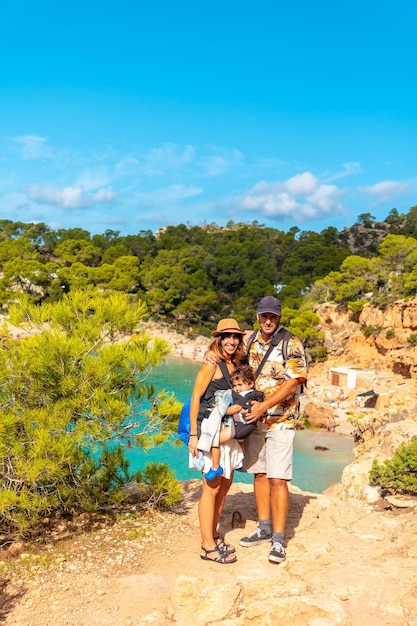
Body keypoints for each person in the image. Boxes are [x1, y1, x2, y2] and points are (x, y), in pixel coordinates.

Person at [238, 296, 307, 564]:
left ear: (279, 317)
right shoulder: (250, 340)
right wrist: (211, 352)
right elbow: (230, 356)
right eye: (264, 316)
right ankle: (263, 527)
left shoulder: (292, 343)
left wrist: (264, 406)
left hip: (281, 419)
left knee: (278, 479)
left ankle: (279, 540)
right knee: (260, 474)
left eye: (273, 317)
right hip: (255, 421)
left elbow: (294, 383)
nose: (268, 321)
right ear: (258, 316)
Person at [189, 318, 246, 564]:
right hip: (210, 434)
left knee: (224, 488)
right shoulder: (211, 366)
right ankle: (207, 546)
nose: (232, 341)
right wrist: (193, 434)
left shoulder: (239, 365)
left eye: (236, 337)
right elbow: (195, 399)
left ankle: (213, 534)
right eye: (227, 337)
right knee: (210, 489)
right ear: (219, 339)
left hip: (230, 435)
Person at [197, 365, 265, 478]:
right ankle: (239, 462)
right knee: (236, 442)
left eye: (240, 385)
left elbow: (236, 408)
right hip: (243, 426)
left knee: (213, 440)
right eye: (234, 386)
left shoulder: (245, 396)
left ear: (251, 384)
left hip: (239, 427)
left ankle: (215, 467)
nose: (237, 388)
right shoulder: (255, 395)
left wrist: (219, 410)